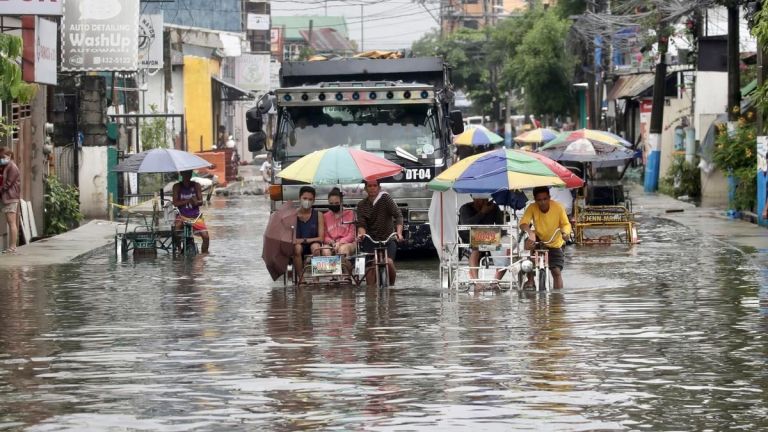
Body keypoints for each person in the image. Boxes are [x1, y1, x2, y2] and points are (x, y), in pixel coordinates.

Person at [519, 186, 572, 290]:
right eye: (539, 200)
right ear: (535, 200)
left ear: (549, 197)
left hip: (554, 241)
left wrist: (565, 233)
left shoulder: (558, 207)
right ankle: (530, 281)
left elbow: (566, 224)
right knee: (528, 246)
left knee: (556, 271)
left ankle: (558, 299)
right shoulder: (532, 207)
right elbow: (523, 223)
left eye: (545, 199)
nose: (542, 202)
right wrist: (530, 233)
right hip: (538, 238)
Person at [356, 179, 403, 286]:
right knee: (371, 265)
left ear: (379, 187)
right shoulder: (362, 205)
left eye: (374, 185)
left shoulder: (385, 198)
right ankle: (370, 293)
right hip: (370, 240)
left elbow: (398, 216)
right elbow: (361, 224)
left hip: (387, 239)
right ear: (365, 189)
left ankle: (391, 289)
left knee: (389, 262)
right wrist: (362, 234)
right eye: (369, 186)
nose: (372, 188)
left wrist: (399, 233)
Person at [458, 195, 504, 279]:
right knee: (476, 249)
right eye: (479, 198)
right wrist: (482, 213)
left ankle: (496, 281)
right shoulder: (465, 208)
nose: (482, 201)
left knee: (506, 250)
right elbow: (466, 225)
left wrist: (501, 238)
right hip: (469, 239)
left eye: (485, 198)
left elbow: (501, 226)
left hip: (490, 238)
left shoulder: (494, 208)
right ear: (473, 197)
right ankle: (476, 281)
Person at [172, 170, 210, 253]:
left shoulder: (196, 185)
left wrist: (196, 202)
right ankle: (178, 249)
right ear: (181, 174)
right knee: (176, 230)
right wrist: (188, 201)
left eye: (189, 173)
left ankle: (204, 254)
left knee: (206, 237)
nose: (187, 175)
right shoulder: (177, 186)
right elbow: (175, 203)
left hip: (196, 217)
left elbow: (201, 202)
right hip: (182, 216)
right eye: (185, 173)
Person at [294, 186, 325, 283]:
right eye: (305, 198)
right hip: (298, 246)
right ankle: (301, 278)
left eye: (310, 199)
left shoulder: (318, 215)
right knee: (297, 248)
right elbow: (292, 238)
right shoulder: (293, 215)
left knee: (316, 247)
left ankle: (316, 278)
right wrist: (300, 241)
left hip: (313, 244)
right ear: (300, 198)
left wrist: (304, 240)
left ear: (314, 200)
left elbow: (321, 238)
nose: (307, 201)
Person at [322, 187, 356, 257]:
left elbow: (352, 235)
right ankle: (329, 268)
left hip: (348, 243)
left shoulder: (350, 213)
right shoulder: (325, 216)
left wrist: (340, 242)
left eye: (337, 203)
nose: (334, 205)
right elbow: (325, 236)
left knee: (343, 250)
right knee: (325, 251)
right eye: (331, 203)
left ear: (342, 201)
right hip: (331, 243)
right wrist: (332, 242)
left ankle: (343, 267)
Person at [0, 148, 20, 254]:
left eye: (3, 157)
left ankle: (12, 246)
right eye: (0, 157)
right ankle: (12, 246)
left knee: (11, 222)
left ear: (10, 156)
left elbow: (8, 184)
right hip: (6, 197)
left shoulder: (13, 167)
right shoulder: (6, 166)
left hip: (10, 197)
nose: (2, 159)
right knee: (10, 221)